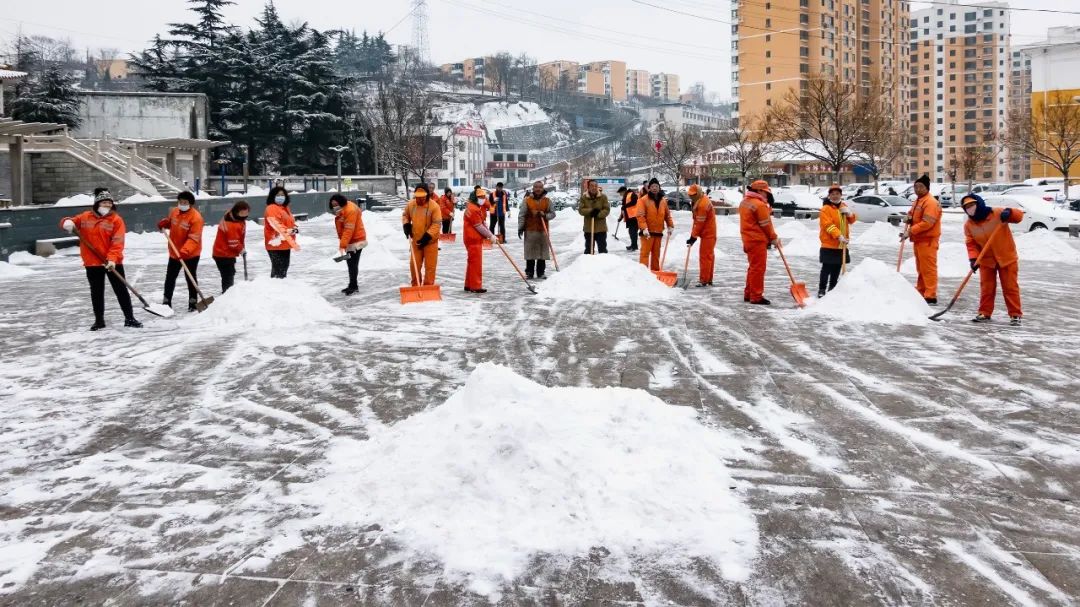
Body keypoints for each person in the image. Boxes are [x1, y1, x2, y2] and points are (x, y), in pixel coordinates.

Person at [60, 189, 141, 330]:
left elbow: (117, 242)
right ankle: (99, 321)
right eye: (104, 202)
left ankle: (129, 318)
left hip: (112, 262)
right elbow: (70, 221)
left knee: (121, 289)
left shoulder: (116, 220)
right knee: (96, 292)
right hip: (92, 262)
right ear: (97, 203)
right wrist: (66, 222)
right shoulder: (85, 217)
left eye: (109, 203)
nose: (107, 205)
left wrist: (112, 259)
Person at [961, 194, 1025, 325]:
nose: (970, 209)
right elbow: (971, 243)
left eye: (972, 205)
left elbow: (1019, 216)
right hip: (986, 260)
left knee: (1010, 287)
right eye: (967, 207)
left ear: (978, 203)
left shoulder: (996, 213)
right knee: (987, 288)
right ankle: (984, 313)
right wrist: (973, 259)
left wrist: (1010, 212)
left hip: (1006, 257)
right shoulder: (969, 225)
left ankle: (1015, 315)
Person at [157, 191, 204, 311]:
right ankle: (166, 302)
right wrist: (165, 223)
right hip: (174, 251)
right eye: (180, 202)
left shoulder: (196, 218)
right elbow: (172, 223)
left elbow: (194, 238)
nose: (182, 204)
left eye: (185, 202)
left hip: (191, 253)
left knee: (190, 276)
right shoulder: (175, 212)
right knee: (170, 277)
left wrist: (184, 252)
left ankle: (193, 302)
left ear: (191, 204)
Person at [902, 174, 942, 304]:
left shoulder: (930, 202)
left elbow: (927, 223)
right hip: (919, 240)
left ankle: (930, 294)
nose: (918, 189)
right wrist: (908, 218)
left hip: (928, 240)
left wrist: (910, 231)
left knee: (928, 268)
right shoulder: (918, 200)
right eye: (916, 187)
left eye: (921, 187)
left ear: (927, 188)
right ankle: (921, 289)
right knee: (921, 268)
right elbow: (912, 213)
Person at [739, 180, 780, 305]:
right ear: (760, 191)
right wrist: (773, 238)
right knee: (758, 269)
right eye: (766, 192)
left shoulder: (744, 202)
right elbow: (766, 224)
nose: (767, 195)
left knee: (753, 268)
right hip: (757, 240)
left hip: (747, 238)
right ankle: (756, 296)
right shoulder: (759, 205)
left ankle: (748, 293)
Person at [818, 184, 857, 297]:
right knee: (826, 268)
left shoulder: (843, 206)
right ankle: (822, 289)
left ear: (841, 195)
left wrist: (850, 214)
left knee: (837, 268)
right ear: (829, 196)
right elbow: (828, 225)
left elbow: (851, 220)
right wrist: (839, 235)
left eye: (837, 194)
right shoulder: (826, 209)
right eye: (833, 194)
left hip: (841, 244)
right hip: (829, 243)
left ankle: (832, 289)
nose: (835, 196)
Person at [402, 184, 442, 286]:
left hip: (430, 242)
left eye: (422, 197)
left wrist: (428, 236)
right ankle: (416, 285)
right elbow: (405, 215)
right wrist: (406, 224)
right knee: (414, 265)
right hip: (416, 241)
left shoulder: (434, 206)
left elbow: (436, 224)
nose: (420, 199)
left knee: (430, 267)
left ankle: (428, 287)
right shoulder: (411, 205)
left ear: (427, 195)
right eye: (418, 197)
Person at [331, 194, 368, 295]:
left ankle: (353, 286)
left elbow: (348, 230)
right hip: (350, 240)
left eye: (336, 204)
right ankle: (353, 285)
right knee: (350, 263)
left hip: (356, 241)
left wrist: (342, 245)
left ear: (341, 202)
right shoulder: (343, 209)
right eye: (333, 205)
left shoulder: (350, 210)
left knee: (352, 263)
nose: (335, 207)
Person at [518, 180, 555, 279]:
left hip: (543, 231)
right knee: (530, 253)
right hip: (530, 230)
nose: (538, 189)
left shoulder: (547, 201)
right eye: (536, 187)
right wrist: (520, 228)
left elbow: (553, 214)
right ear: (533, 188)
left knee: (542, 253)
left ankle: (541, 272)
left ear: (543, 188)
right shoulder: (527, 200)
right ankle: (529, 272)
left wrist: (545, 215)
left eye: (540, 187)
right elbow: (522, 215)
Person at [636, 178, 674, 270]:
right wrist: (644, 228)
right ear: (649, 188)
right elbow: (640, 215)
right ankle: (643, 273)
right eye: (652, 186)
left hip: (658, 232)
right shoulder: (643, 200)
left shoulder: (663, 201)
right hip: (647, 233)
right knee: (645, 254)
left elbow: (667, 215)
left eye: (656, 186)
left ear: (659, 188)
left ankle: (655, 273)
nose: (654, 188)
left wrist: (670, 225)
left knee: (656, 255)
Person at [211, 200, 249, 293]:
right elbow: (233, 243)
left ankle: (227, 294)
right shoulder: (232, 224)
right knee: (228, 277)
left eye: (246, 213)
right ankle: (227, 296)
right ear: (236, 212)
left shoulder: (232, 217)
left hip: (224, 252)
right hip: (223, 254)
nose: (244, 215)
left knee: (229, 274)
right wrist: (241, 249)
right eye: (242, 213)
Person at [464, 188, 497, 293]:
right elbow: (479, 226)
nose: (483, 199)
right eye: (481, 197)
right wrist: (490, 236)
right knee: (476, 264)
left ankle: (468, 284)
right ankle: (475, 286)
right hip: (473, 239)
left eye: (484, 197)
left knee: (471, 262)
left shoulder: (471, 206)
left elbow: (481, 223)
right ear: (475, 197)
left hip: (470, 238)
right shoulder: (474, 209)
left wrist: (489, 233)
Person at [686, 184, 717, 287]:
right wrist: (692, 235)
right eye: (690, 195)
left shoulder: (703, 204)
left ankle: (704, 280)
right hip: (706, 231)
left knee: (705, 257)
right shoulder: (698, 200)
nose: (691, 197)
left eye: (693, 195)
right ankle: (708, 279)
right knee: (709, 256)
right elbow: (696, 221)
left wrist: (693, 237)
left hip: (708, 232)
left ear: (698, 193)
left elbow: (699, 223)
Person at [264, 186, 298, 279]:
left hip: (285, 243)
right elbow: (275, 223)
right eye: (278, 195)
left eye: (282, 195)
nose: (280, 197)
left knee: (283, 269)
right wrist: (287, 231)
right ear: (273, 196)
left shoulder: (285, 208)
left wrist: (294, 228)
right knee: (278, 271)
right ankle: (275, 290)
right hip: (275, 243)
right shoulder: (271, 208)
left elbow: (289, 222)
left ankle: (281, 290)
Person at [577, 179, 610, 254]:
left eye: (595, 186)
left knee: (602, 249)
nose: (594, 187)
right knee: (589, 250)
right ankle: (588, 264)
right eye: (592, 186)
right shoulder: (584, 197)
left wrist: (598, 214)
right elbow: (581, 210)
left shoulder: (603, 197)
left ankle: (604, 265)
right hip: (588, 228)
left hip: (601, 228)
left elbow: (607, 210)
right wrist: (591, 211)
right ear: (588, 187)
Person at [619, 186, 640, 251]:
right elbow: (624, 209)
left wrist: (625, 206)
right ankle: (633, 245)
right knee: (631, 232)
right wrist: (621, 217)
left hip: (634, 216)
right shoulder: (625, 196)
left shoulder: (632, 194)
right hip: (629, 217)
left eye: (620, 193)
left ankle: (634, 246)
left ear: (624, 191)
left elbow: (634, 202)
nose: (620, 194)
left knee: (633, 232)